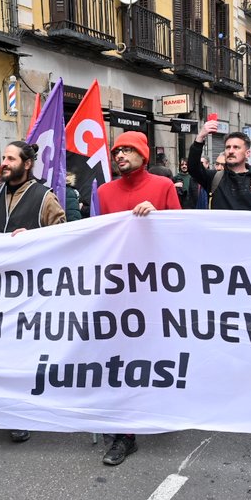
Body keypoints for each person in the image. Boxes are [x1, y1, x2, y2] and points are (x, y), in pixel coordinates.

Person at [95, 131, 180, 466]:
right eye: (116, 151)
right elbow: (94, 236)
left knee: (157, 352)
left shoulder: (163, 187)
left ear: (144, 155)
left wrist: (158, 217)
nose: (120, 155)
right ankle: (124, 433)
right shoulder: (104, 192)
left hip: (155, 286)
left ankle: (161, 403)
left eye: (127, 150)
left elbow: (182, 233)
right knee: (121, 358)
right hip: (118, 288)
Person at [0, 141, 66, 441]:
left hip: (33, 290)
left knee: (27, 352)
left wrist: (34, 237)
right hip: (1, 288)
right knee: (4, 351)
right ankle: (10, 406)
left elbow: (63, 236)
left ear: (27, 163)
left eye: (10, 158)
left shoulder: (45, 197)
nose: (4, 162)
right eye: (2, 157)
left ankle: (23, 412)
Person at [187, 120, 251, 211]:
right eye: (228, 147)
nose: (230, 151)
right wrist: (200, 137)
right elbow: (193, 167)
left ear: (247, 153)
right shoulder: (214, 178)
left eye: (236, 147)